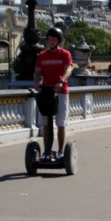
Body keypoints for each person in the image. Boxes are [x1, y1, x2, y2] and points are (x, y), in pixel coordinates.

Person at [33, 27, 73, 160]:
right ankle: (46, 152)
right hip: (46, 91)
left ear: (59, 41)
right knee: (45, 123)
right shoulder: (42, 55)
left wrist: (61, 80)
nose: (51, 41)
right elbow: (37, 71)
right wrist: (36, 81)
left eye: (54, 39)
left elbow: (68, 69)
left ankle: (61, 151)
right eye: (49, 39)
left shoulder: (65, 54)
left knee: (60, 123)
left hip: (61, 91)